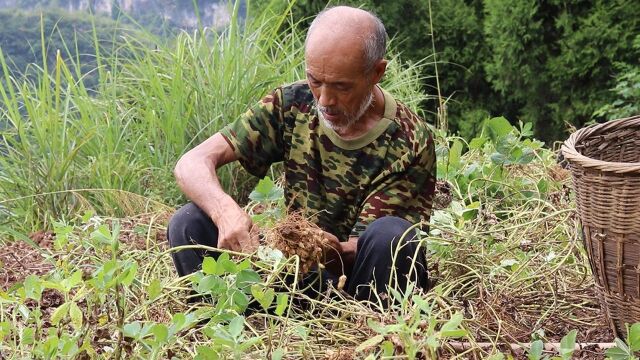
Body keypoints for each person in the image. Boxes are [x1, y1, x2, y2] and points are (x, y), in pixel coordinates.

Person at [167, 6, 436, 302]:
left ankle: (368, 332)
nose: (325, 100)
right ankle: (223, 321)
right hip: (295, 277)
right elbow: (190, 163)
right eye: (315, 80)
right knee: (189, 221)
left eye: (341, 87)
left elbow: (382, 248)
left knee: (392, 236)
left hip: (361, 285)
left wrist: (330, 251)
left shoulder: (409, 140)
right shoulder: (292, 104)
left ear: (376, 72)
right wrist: (225, 212)